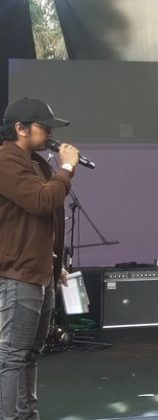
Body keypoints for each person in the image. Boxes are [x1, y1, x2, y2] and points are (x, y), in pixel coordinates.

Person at [0, 97, 80, 418]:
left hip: (40, 271)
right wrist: (67, 168)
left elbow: (43, 221)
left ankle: (27, 415)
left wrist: (54, 264)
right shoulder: (6, 161)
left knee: (31, 352)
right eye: (43, 127)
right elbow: (41, 202)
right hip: (18, 273)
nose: (49, 133)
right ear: (20, 128)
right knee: (13, 354)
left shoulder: (37, 164)